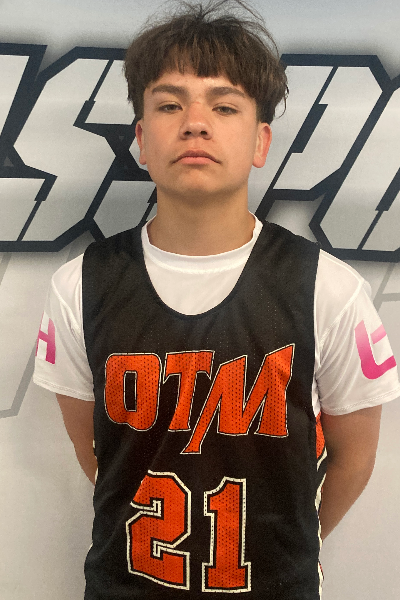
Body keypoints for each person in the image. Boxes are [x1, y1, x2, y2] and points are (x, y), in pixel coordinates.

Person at [33, 1, 400, 598]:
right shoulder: (80, 284)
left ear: (260, 140)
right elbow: (96, 451)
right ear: (141, 139)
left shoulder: (326, 286)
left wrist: (287, 554)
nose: (195, 123)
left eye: (224, 106)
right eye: (169, 105)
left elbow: (354, 458)